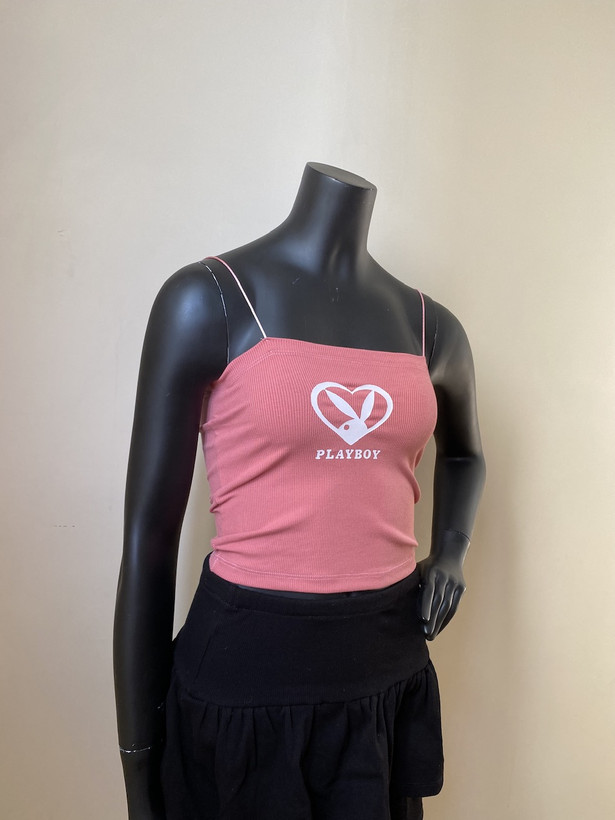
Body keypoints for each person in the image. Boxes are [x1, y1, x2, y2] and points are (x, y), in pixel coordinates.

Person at [114, 162, 486, 820]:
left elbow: (464, 453)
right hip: (246, 679)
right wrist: (139, 759)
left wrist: (451, 551)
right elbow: (149, 539)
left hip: (385, 673)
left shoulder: (433, 328)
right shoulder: (209, 298)